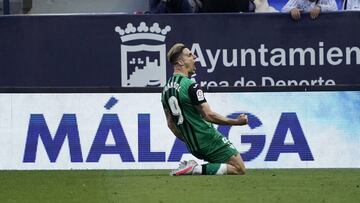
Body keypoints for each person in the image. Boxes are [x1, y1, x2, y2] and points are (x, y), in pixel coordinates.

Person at [161, 43, 248, 176]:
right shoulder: (191, 86)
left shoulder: (165, 91)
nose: (194, 57)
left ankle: (193, 168)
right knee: (239, 168)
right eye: (190, 55)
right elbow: (209, 115)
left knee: (227, 167)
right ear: (180, 62)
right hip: (208, 138)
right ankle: (193, 169)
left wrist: (190, 139)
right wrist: (237, 122)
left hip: (193, 146)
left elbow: (170, 124)